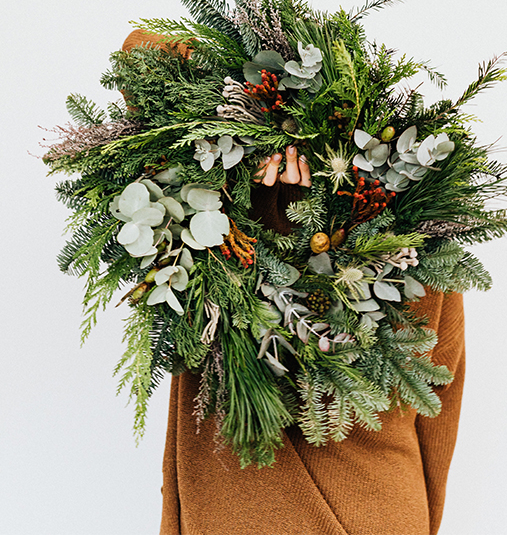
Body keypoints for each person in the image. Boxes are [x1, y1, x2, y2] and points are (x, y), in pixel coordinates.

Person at [122, 31, 466, 535]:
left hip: (251, 507)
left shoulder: (202, 225)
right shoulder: (422, 234)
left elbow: (138, 55)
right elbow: (438, 401)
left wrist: (238, 86)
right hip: (381, 502)